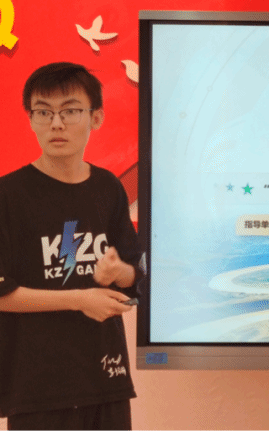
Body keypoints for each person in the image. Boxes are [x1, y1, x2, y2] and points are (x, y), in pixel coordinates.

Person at [0, 62, 143, 430]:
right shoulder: (8, 195)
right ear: (31, 120)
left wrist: (120, 272)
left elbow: (135, 277)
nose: (56, 124)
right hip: (37, 390)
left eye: (70, 111)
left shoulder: (108, 188)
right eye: (43, 112)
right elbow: (2, 293)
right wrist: (80, 299)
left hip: (106, 379)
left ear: (95, 118)